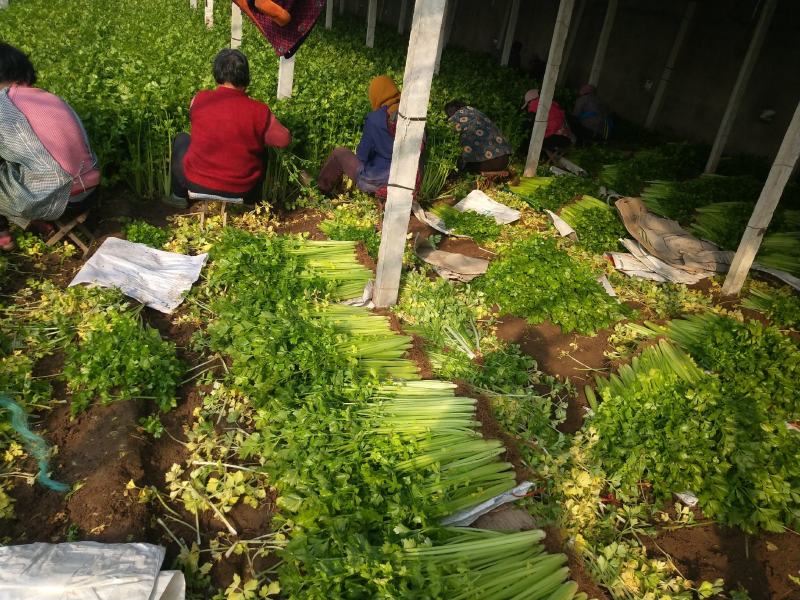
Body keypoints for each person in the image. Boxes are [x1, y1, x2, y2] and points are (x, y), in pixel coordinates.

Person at [0, 44, 100, 251]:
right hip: (90, 191)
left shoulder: (4, 103)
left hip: (60, 200)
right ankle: (32, 223)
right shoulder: (48, 97)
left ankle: (3, 235)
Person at [170, 49, 291, 207]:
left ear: (217, 73)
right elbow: (284, 140)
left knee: (182, 139)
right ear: (246, 76)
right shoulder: (259, 110)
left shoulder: (199, 99)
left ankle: (178, 198)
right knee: (263, 151)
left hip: (196, 183)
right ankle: (251, 203)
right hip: (241, 189)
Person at [317, 75, 405, 198]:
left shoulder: (375, 119)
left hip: (379, 181)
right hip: (409, 181)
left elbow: (362, 155)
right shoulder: (413, 115)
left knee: (339, 153)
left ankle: (320, 190)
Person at [445, 100, 512, 173]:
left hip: (486, 163)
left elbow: (446, 135)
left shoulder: (457, 116)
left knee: (459, 165)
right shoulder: (476, 112)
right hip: (504, 161)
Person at [521, 89, 573, 153]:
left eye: (528, 103)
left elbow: (553, 126)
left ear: (531, 101)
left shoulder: (535, 104)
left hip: (558, 138)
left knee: (529, 140)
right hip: (566, 138)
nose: (529, 106)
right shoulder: (550, 102)